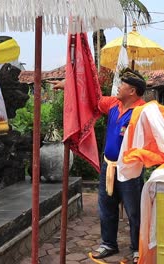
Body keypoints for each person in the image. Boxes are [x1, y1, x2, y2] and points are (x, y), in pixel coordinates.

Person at [51, 68, 145, 263]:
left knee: (134, 210)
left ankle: (138, 248)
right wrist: (68, 86)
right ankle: (108, 244)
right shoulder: (112, 104)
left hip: (130, 170)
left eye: (123, 84)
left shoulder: (143, 111)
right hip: (108, 166)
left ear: (132, 91)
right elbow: (89, 97)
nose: (118, 87)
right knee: (106, 206)